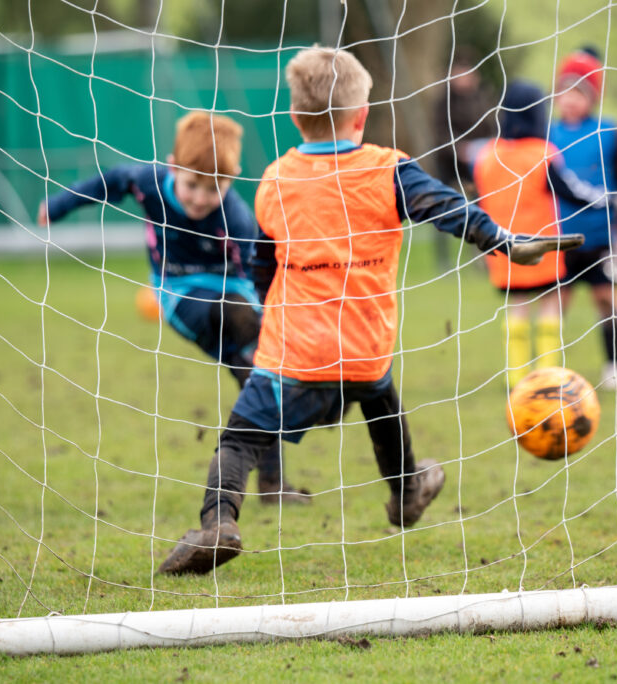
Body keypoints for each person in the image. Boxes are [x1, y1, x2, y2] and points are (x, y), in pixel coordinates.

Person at [158, 47, 583, 575]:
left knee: (240, 439)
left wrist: (270, 309)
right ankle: (406, 492)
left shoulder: (275, 179)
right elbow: (445, 207)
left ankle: (219, 522)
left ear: (295, 117)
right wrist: (503, 241)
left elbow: (261, 262)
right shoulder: (388, 169)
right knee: (379, 397)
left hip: (295, 349)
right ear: (361, 115)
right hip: (364, 347)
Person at [39, 111, 307, 503]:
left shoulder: (236, 218)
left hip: (234, 294)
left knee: (260, 379)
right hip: (180, 296)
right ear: (173, 166)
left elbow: (256, 275)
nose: (200, 198)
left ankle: (273, 484)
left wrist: (277, 320)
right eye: (192, 185)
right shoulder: (148, 183)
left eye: (213, 189)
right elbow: (109, 182)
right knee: (238, 318)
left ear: (232, 180)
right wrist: (59, 205)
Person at [474, 80, 612, 387]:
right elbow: (570, 189)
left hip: (503, 247)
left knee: (517, 305)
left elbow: (479, 199)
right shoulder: (542, 153)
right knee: (550, 302)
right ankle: (546, 377)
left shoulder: (487, 155)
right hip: (541, 247)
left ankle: (516, 378)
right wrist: (603, 199)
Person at [549, 48, 617, 390]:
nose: (570, 100)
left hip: (601, 237)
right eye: (564, 91)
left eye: (578, 93)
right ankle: (549, 372)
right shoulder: (547, 135)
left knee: (606, 299)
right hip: (559, 237)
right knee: (557, 302)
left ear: (592, 97)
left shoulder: (609, 131)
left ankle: (616, 364)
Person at [430, 46, 497, 271]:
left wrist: (487, 147)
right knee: (441, 206)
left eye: (467, 72)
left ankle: (482, 255)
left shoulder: (483, 98)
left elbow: (493, 126)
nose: (463, 77)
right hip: (449, 163)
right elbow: (439, 133)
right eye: (458, 72)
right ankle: (444, 260)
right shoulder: (443, 102)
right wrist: (458, 148)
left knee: (482, 207)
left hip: (478, 163)